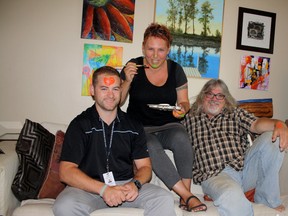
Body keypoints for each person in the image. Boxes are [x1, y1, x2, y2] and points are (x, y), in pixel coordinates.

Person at [53, 66, 176, 216]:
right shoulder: (80, 125)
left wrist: (135, 184)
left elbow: (145, 168)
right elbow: (66, 172)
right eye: (104, 88)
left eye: (115, 89)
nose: (110, 95)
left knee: (164, 198)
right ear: (92, 90)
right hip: (88, 189)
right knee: (65, 206)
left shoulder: (133, 125)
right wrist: (104, 189)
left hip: (126, 186)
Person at [120, 22, 207, 212]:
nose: (155, 55)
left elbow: (184, 102)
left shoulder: (176, 70)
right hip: (140, 128)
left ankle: (187, 194)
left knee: (182, 138)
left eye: (161, 50)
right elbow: (118, 102)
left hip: (169, 126)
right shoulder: (133, 66)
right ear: (143, 47)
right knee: (149, 146)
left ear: (168, 50)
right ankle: (187, 196)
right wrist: (126, 80)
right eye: (150, 49)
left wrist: (182, 109)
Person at [182, 78, 288, 216]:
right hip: (215, 176)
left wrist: (278, 124)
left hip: (244, 169)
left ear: (225, 99)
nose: (214, 98)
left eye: (220, 95)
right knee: (231, 195)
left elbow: (256, 125)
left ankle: (266, 199)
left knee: (272, 137)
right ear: (203, 97)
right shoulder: (189, 118)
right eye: (209, 94)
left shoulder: (235, 113)